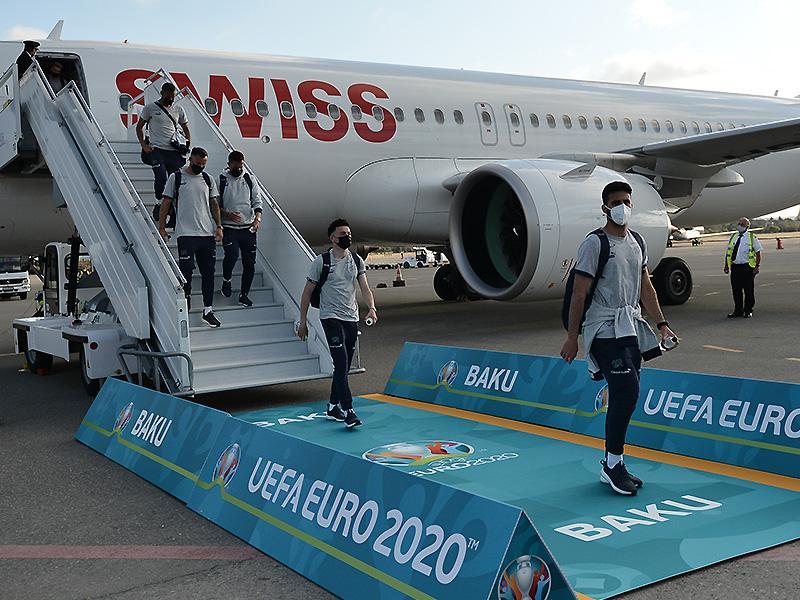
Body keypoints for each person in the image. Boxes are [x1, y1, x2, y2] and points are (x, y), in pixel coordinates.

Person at [560, 181, 678, 496]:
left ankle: (614, 463)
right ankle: (613, 465)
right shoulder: (594, 244)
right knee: (627, 392)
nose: (622, 207)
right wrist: (572, 338)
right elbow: (579, 294)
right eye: (615, 202)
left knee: (627, 394)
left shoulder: (637, 241)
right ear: (605, 208)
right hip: (602, 327)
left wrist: (662, 324)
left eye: (626, 201)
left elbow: (646, 287)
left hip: (629, 327)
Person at [297, 219, 378, 428]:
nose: (347, 237)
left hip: (351, 317)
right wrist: (303, 321)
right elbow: (307, 292)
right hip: (330, 316)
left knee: (344, 367)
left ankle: (333, 406)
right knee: (341, 364)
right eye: (342, 234)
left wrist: (371, 307)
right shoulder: (321, 262)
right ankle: (348, 410)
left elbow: (365, 287)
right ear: (332, 238)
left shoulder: (356, 260)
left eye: (348, 233)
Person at [158, 147, 223, 327]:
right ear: (191, 160)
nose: (200, 166)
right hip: (186, 234)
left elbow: (214, 204)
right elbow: (166, 202)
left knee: (208, 273)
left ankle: (208, 310)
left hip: (206, 234)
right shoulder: (176, 178)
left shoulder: (208, 179)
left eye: (203, 164)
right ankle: (185, 304)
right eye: (198, 163)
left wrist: (219, 226)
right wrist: (162, 227)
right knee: (186, 271)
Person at [137, 82, 191, 222]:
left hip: (173, 151)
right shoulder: (150, 108)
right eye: (168, 97)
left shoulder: (178, 109)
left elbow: (186, 128)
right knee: (161, 177)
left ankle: (172, 209)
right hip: (157, 150)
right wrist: (144, 145)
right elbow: (139, 127)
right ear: (161, 93)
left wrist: (187, 144)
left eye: (173, 97)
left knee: (176, 181)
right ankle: (159, 202)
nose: (171, 100)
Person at [218, 150, 263, 307]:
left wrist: (257, 219)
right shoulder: (221, 179)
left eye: (241, 166)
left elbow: (257, 201)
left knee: (249, 263)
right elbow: (214, 205)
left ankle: (244, 294)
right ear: (229, 164)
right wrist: (227, 215)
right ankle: (226, 280)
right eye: (235, 167)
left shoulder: (250, 179)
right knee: (232, 255)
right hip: (229, 227)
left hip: (247, 228)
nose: (238, 169)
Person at [724, 217, 762, 318]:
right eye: (739, 224)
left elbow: (758, 253)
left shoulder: (751, 237)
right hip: (735, 267)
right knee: (736, 290)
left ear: (747, 226)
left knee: (748, 290)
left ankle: (748, 310)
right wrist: (726, 265)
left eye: (742, 224)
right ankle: (738, 310)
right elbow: (729, 252)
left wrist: (757, 266)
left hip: (747, 267)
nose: (739, 226)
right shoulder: (734, 236)